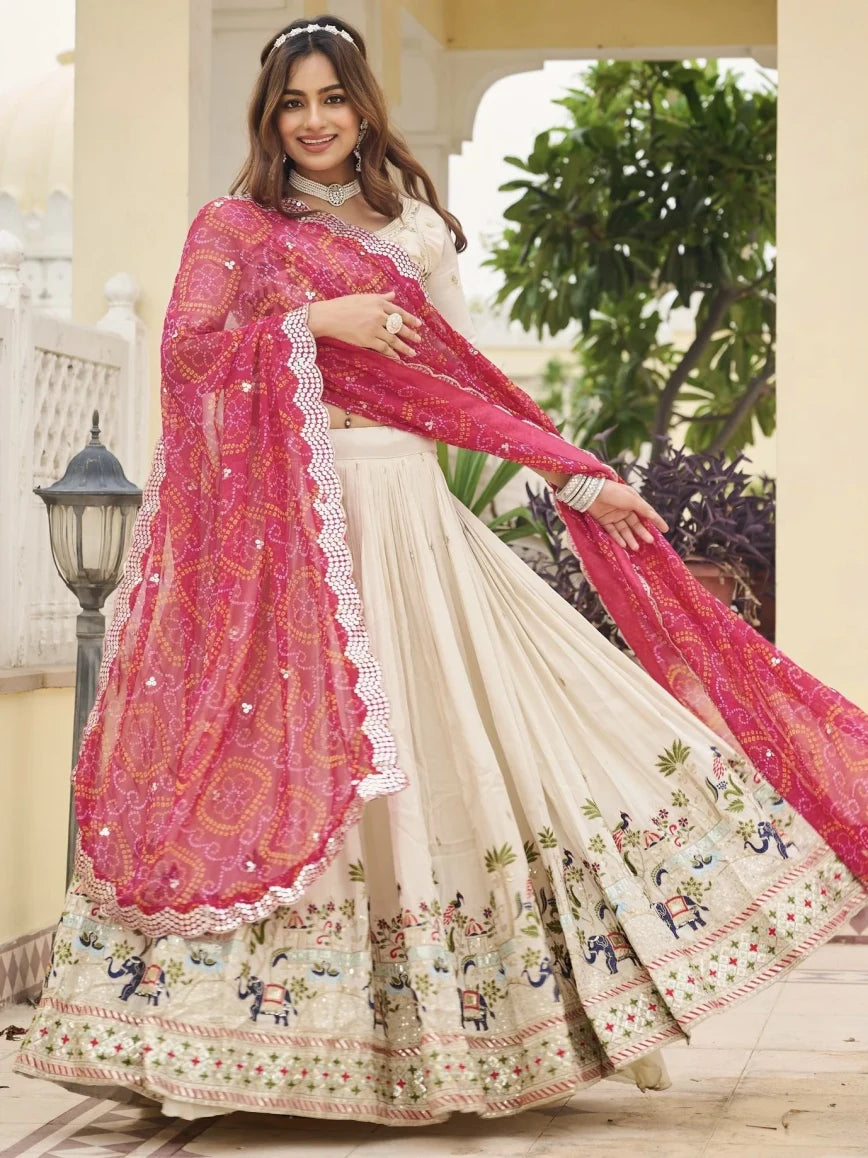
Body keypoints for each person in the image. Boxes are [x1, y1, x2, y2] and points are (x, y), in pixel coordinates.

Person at [16, 14, 868, 1127]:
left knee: (501, 744)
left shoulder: (416, 236)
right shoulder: (237, 229)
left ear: (366, 107)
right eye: (293, 103)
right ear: (269, 120)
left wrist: (577, 478)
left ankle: (593, 1011)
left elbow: (465, 393)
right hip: (298, 548)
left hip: (413, 525)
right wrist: (317, 319)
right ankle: (220, 1043)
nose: (315, 120)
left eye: (333, 98)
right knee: (302, 764)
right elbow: (187, 353)